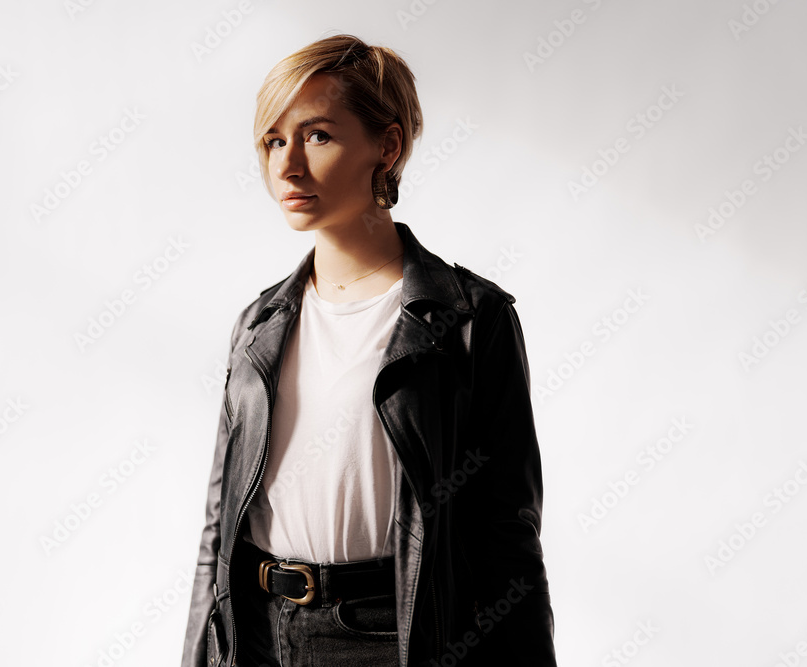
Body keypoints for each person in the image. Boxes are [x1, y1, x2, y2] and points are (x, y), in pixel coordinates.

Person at [181, 33, 557, 667]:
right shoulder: (260, 324)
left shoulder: (468, 318)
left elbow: (507, 539)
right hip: (259, 635)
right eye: (274, 141)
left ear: (387, 146)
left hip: (400, 638)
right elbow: (218, 530)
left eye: (318, 136)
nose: (287, 166)